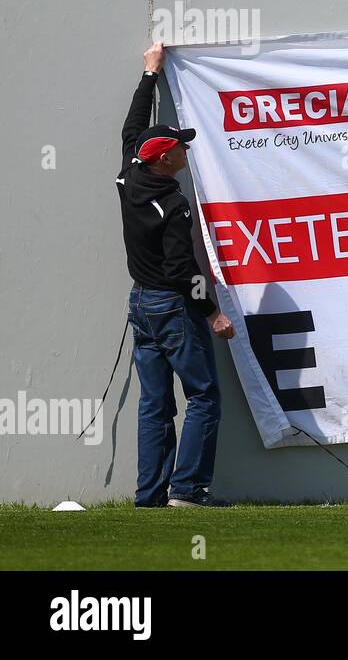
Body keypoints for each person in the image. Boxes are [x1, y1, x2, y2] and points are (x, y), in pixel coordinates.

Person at [117, 42, 235, 508]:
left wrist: (150, 75)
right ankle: (186, 490)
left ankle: (149, 496)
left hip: (141, 305)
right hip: (171, 307)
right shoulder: (173, 203)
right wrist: (213, 315)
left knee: (155, 404)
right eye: (180, 146)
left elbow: (132, 127)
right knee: (204, 396)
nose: (186, 150)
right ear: (164, 159)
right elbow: (183, 270)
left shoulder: (129, 173)